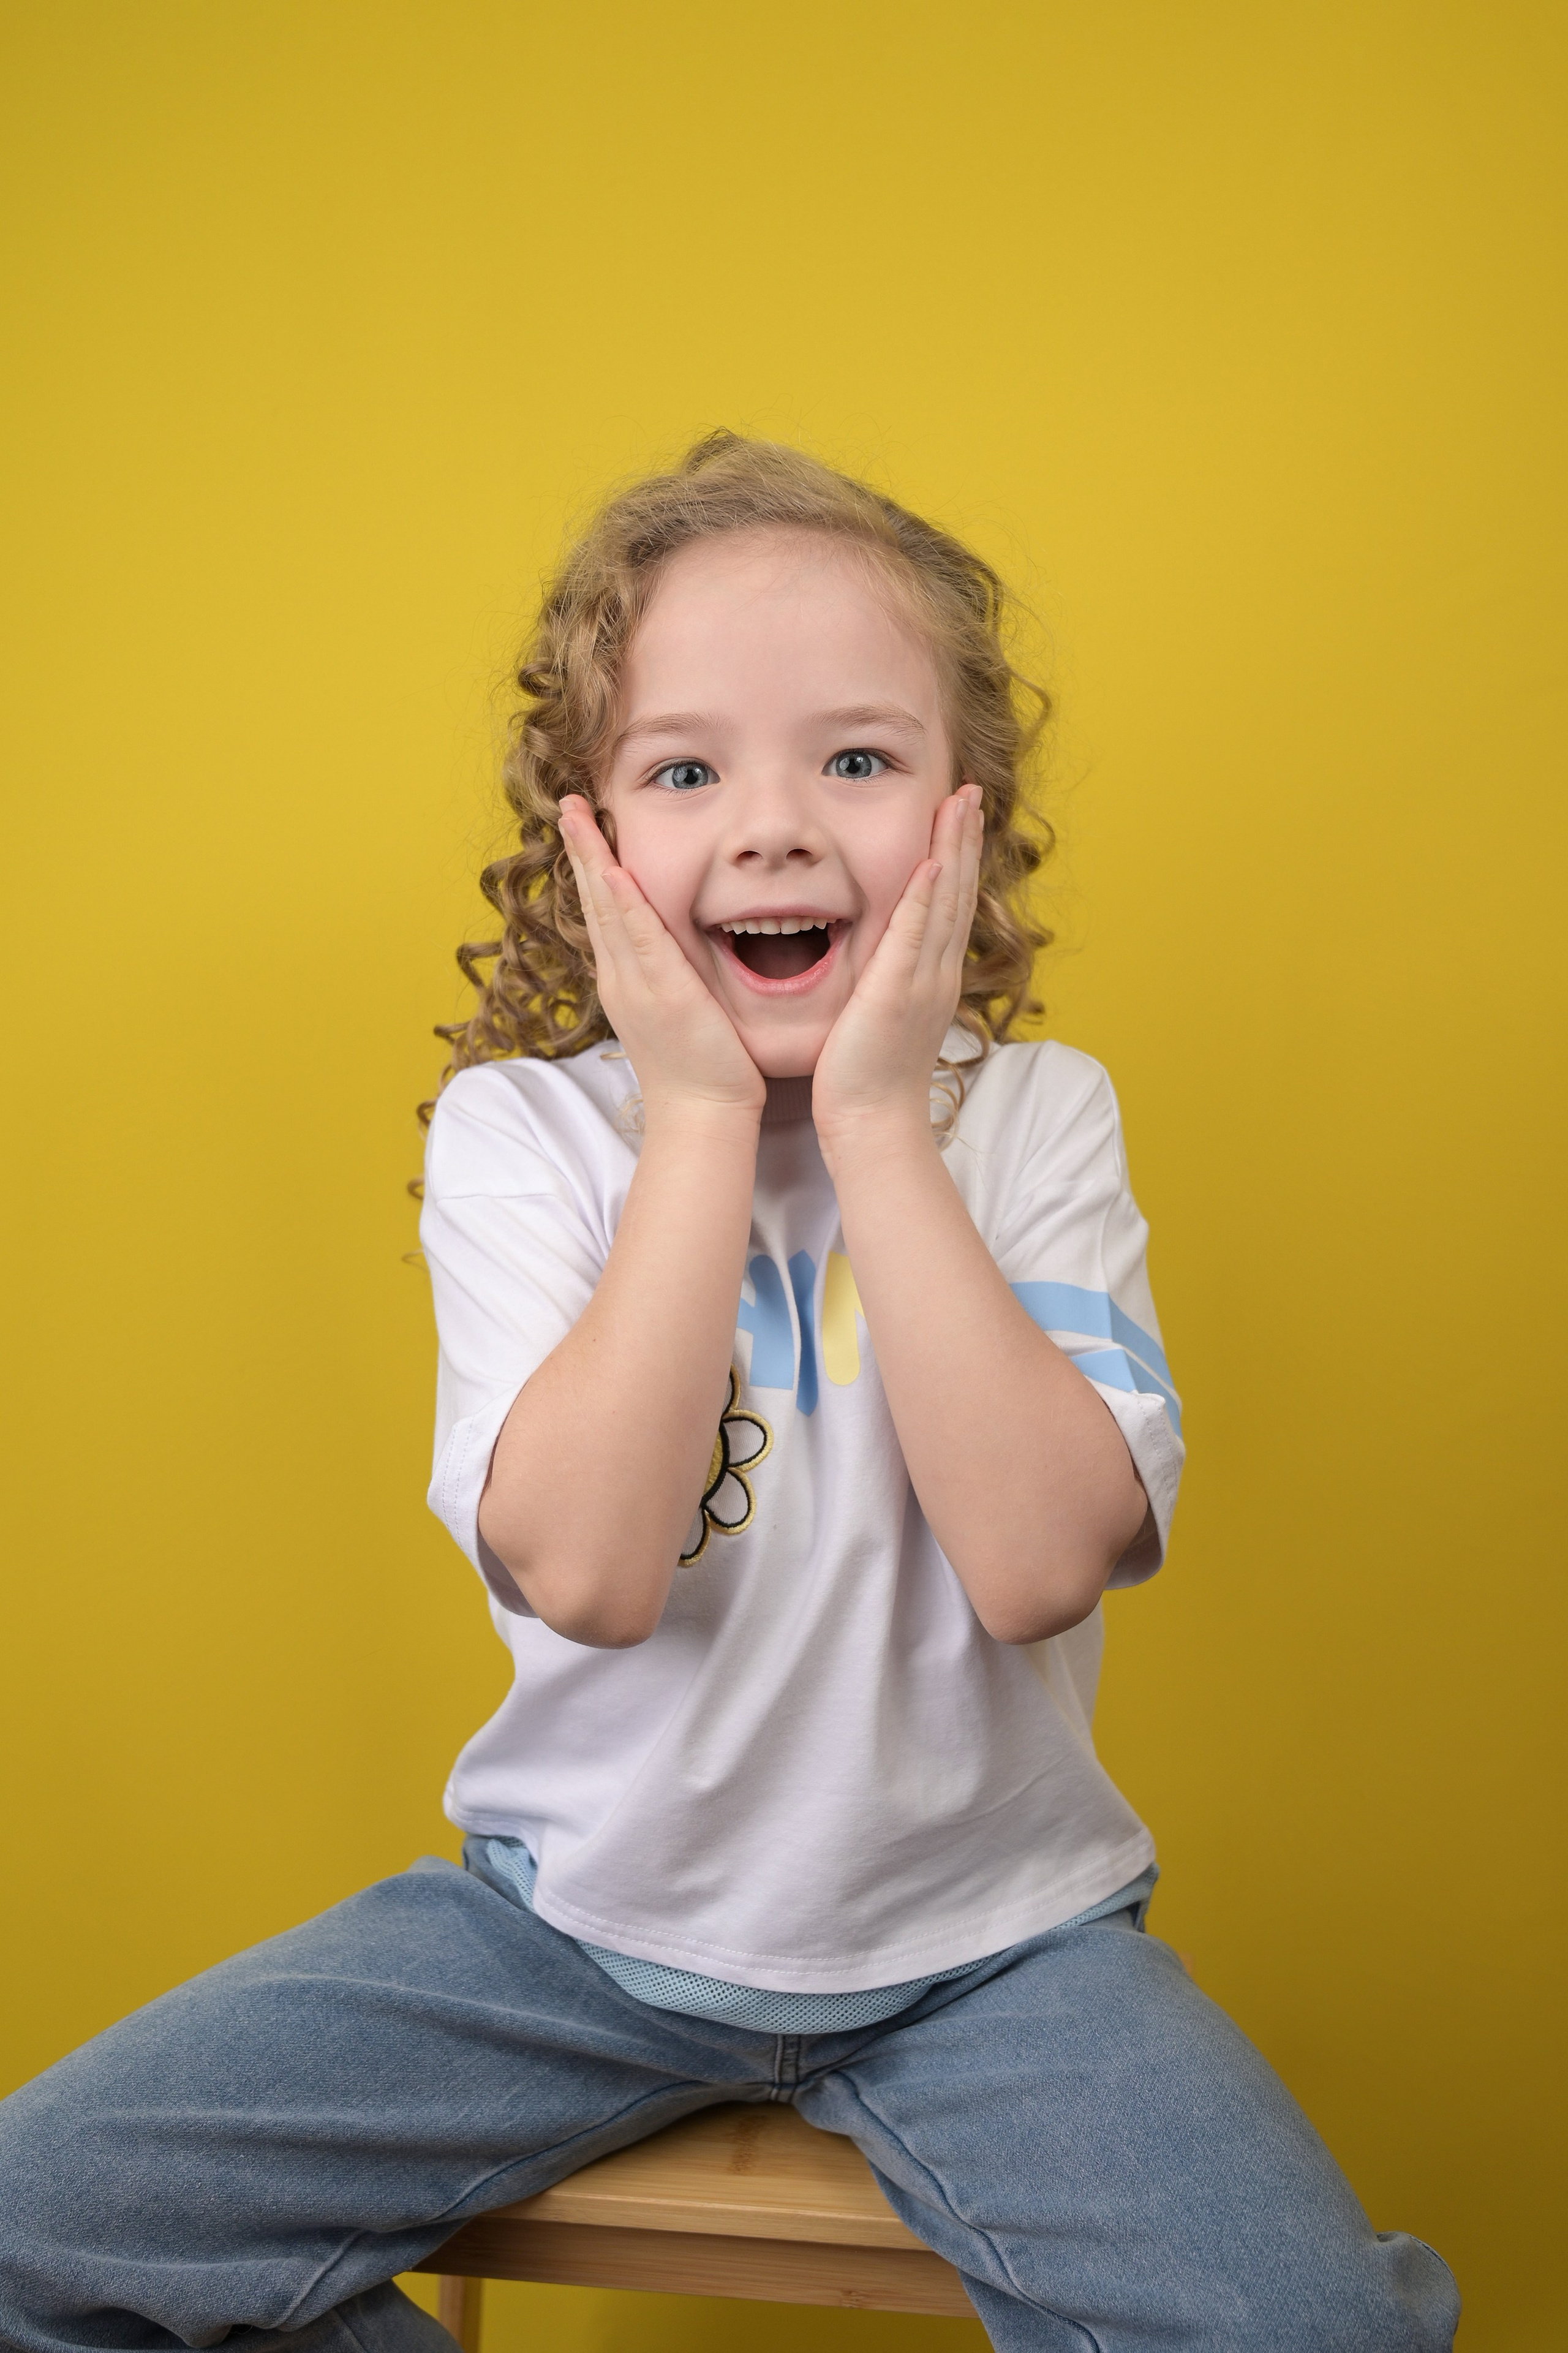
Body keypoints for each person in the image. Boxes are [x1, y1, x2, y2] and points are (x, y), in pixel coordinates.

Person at [0, 434, 1458, 2352]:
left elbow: (1038, 1561)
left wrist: (876, 1120)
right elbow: (594, 1573)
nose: (772, 829)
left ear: (965, 816)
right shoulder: (527, 1139)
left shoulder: (1033, 1119)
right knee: (30, 2227)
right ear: (590, 844)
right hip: (565, 1940)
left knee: (1320, 2330)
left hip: (1000, 1953)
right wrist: (697, 1116)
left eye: (856, 759)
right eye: (686, 772)